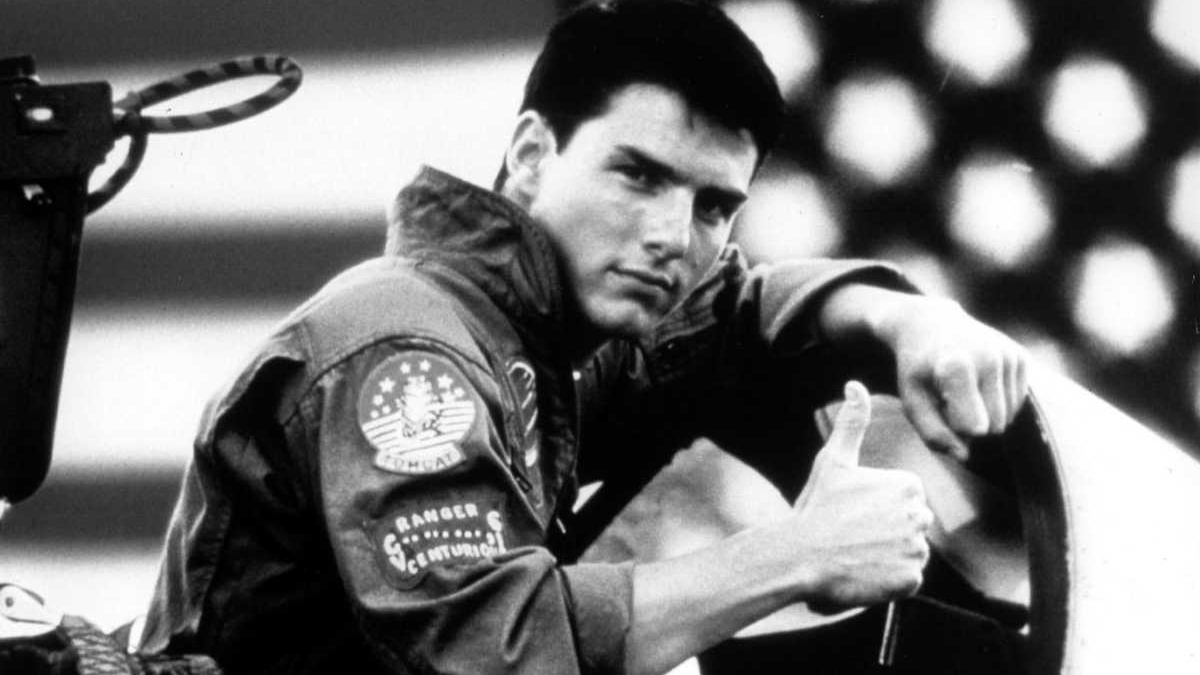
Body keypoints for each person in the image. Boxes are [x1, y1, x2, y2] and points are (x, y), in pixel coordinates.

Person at [138, 1, 1028, 673]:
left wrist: (909, 318)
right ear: (532, 154)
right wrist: (797, 554)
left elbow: (736, 318)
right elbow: (496, 651)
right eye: (638, 176)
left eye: (713, 206)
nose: (672, 237)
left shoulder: (539, 329)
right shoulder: (410, 353)